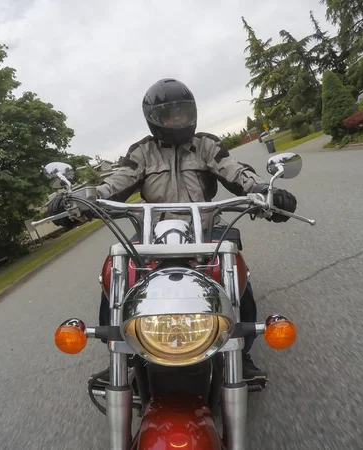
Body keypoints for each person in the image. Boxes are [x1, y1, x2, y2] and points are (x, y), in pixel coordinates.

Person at [48, 78, 297, 383]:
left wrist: (264, 192)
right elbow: (114, 185)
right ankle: (120, 352)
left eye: (182, 112)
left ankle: (241, 353)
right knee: (117, 268)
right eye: (170, 114)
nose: (178, 119)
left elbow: (235, 171)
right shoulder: (142, 152)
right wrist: (78, 201)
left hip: (204, 230)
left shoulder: (206, 145)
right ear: (155, 119)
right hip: (154, 234)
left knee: (235, 270)